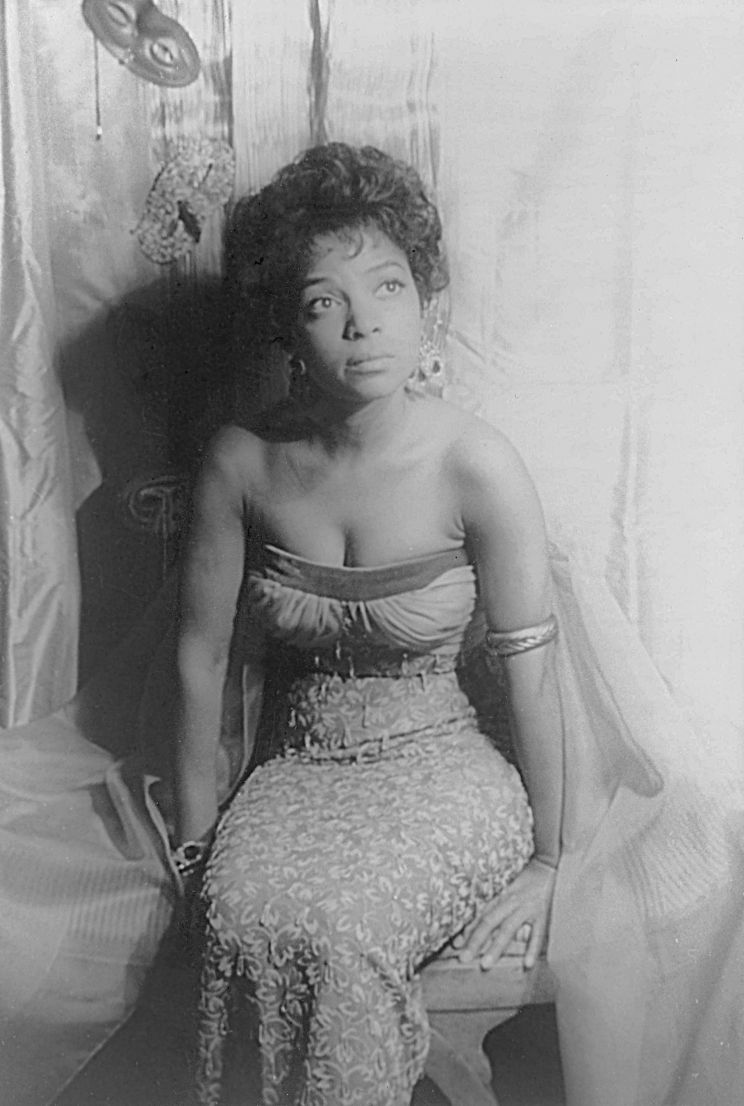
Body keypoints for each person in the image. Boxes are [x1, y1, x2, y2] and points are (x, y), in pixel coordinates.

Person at [170, 142, 565, 1105]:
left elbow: (535, 678)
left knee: (340, 932)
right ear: (286, 328)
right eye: (324, 301)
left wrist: (553, 860)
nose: (364, 323)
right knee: (237, 915)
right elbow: (200, 659)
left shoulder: (477, 463)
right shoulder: (242, 461)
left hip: (447, 768)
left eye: (388, 286)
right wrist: (192, 842)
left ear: (424, 300)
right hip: (297, 768)